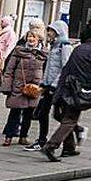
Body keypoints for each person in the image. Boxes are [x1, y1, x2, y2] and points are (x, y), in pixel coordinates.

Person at [43, 25, 91, 162]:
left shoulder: (79, 48)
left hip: (64, 86)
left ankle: (69, 148)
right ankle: (51, 145)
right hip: (75, 89)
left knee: (65, 117)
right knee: (70, 119)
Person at [27, 20, 72, 151]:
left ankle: (74, 134)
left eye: (52, 30)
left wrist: (54, 84)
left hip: (57, 87)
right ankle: (42, 140)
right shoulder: (54, 45)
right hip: (48, 85)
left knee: (60, 115)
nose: (49, 33)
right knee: (43, 113)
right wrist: (43, 83)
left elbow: (65, 68)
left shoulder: (64, 46)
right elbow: (49, 68)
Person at [0, 29, 46, 146]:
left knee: (28, 114)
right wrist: (7, 86)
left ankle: (23, 136)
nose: (31, 39)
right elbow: (9, 70)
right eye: (29, 37)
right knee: (14, 112)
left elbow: (45, 71)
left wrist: (43, 86)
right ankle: (9, 136)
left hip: (34, 88)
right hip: (18, 87)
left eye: (33, 37)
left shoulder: (43, 54)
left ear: (38, 40)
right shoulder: (19, 51)